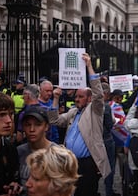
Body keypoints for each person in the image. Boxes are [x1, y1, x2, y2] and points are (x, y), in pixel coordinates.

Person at [48, 53, 111, 196]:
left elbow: (99, 94)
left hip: (88, 164)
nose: (76, 99)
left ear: (89, 99)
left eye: (80, 96)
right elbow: (54, 120)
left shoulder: (94, 111)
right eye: (76, 96)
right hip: (71, 163)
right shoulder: (73, 112)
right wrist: (56, 99)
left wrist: (89, 66)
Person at [17, 106, 57, 194]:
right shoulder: (18, 152)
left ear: (46, 127)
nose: (32, 129)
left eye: (38, 124)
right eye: (28, 125)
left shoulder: (57, 154)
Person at [101, 82, 119, 196]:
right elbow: (109, 125)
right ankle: (109, 190)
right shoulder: (106, 106)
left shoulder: (90, 104)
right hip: (106, 139)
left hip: (94, 140)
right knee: (110, 166)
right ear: (105, 94)